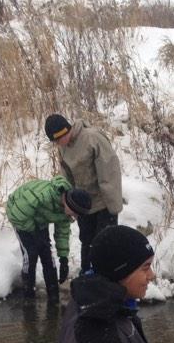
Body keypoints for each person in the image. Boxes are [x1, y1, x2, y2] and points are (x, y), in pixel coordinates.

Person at [44, 113, 123, 275]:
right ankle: (86, 273)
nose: (57, 144)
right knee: (86, 241)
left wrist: (113, 206)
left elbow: (109, 171)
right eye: (55, 142)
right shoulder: (63, 147)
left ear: (66, 132)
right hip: (84, 204)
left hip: (103, 202)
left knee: (105, 242)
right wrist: (70, 203)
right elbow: (66, 176)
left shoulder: (93, 138)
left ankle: (106, 277)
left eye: (58, 140)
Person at [5, 176, 91, 301]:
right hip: (20, 216)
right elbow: (17, 214)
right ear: (69, 205)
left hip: (39, 219)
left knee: (47, 256)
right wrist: (34, 231)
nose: (74, 217)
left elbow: (62, 233)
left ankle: (54, 296)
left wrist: (63, 259)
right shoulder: (42, 196)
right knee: (31, 254)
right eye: (75, 214)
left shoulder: (65, 213)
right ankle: (28, 297)